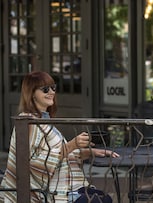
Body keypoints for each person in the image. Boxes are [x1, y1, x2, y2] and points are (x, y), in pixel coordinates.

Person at [0, 71, 120, 203]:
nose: (51, 92)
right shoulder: (28, 122)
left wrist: (90, 152)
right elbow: (33, 162)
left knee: (105, 198)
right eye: (45, 89)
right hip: (53, 193)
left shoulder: (43, 120)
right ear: (32, 93)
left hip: (67, 187)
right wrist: (72, 145)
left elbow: (60, 156)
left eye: (53, 87)